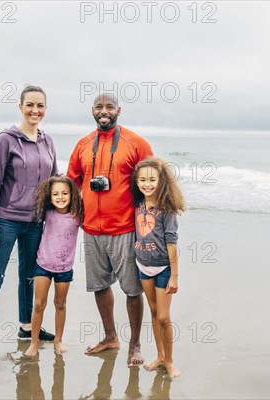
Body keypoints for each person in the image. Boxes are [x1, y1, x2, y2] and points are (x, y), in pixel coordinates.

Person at [0, 85, 58, 373]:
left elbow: (55, 179)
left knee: (29, 278)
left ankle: (25, 327)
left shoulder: (47, 141)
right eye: (30, 105)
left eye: (41, 106)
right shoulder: (6, 140)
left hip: (35, 222)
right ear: (20, 107)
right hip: (6, 220)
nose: (36, 110)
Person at [67, 93, 153, 367]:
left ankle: (135, 344)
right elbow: (70, 184)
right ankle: (110, 337)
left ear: (119, 111)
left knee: (131, 289)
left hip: (125, 229)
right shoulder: (82, 144)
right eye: (99, 107)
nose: (104, 111)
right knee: (99, 286)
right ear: (92, 111)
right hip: (91, 229)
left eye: (109, 107)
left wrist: (150, 225)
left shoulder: (136, 143)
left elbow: (152, 182)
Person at [131, 157, 185, 378]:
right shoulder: (138, 205)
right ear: (136, 181)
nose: (147, 184)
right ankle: (160, 356)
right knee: (153, 313)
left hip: (163, 269)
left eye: (152, 179)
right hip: (143, 266)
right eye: (142, 179)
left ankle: (170, 361)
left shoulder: (167, 209)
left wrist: (174, 276)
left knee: (163, 317)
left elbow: (172, 244)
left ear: (161, 181)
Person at [25, 175, 82, 356]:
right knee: (39, 304)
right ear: (49, 197)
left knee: (60, 304)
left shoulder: (78, 214)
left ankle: (58, 340)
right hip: (43, 265)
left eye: (65, 193)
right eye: (55, 194)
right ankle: (34, 343)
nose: (60, 197)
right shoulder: (47, 212)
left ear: (72, 194)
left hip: (64, 268)